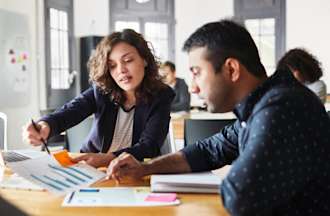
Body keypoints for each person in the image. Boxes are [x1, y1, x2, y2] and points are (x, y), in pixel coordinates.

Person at [106, 20, 330, 215]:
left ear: (231, 69)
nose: (193, 88)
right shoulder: (262, 104)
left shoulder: (281, 107)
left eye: (197, 72)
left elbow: (239, 198)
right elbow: (208, 150)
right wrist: (145, 168)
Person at [22, 29, 174, 168]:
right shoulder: (103, 91)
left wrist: (107, 158)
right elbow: (72, 110)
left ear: (145, 60)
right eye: (112, 65)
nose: (121, 70)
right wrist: (46, 125)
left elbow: (149, 146)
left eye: (128, 61)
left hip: (134, 170)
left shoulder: (161, 95)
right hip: (91, 167)